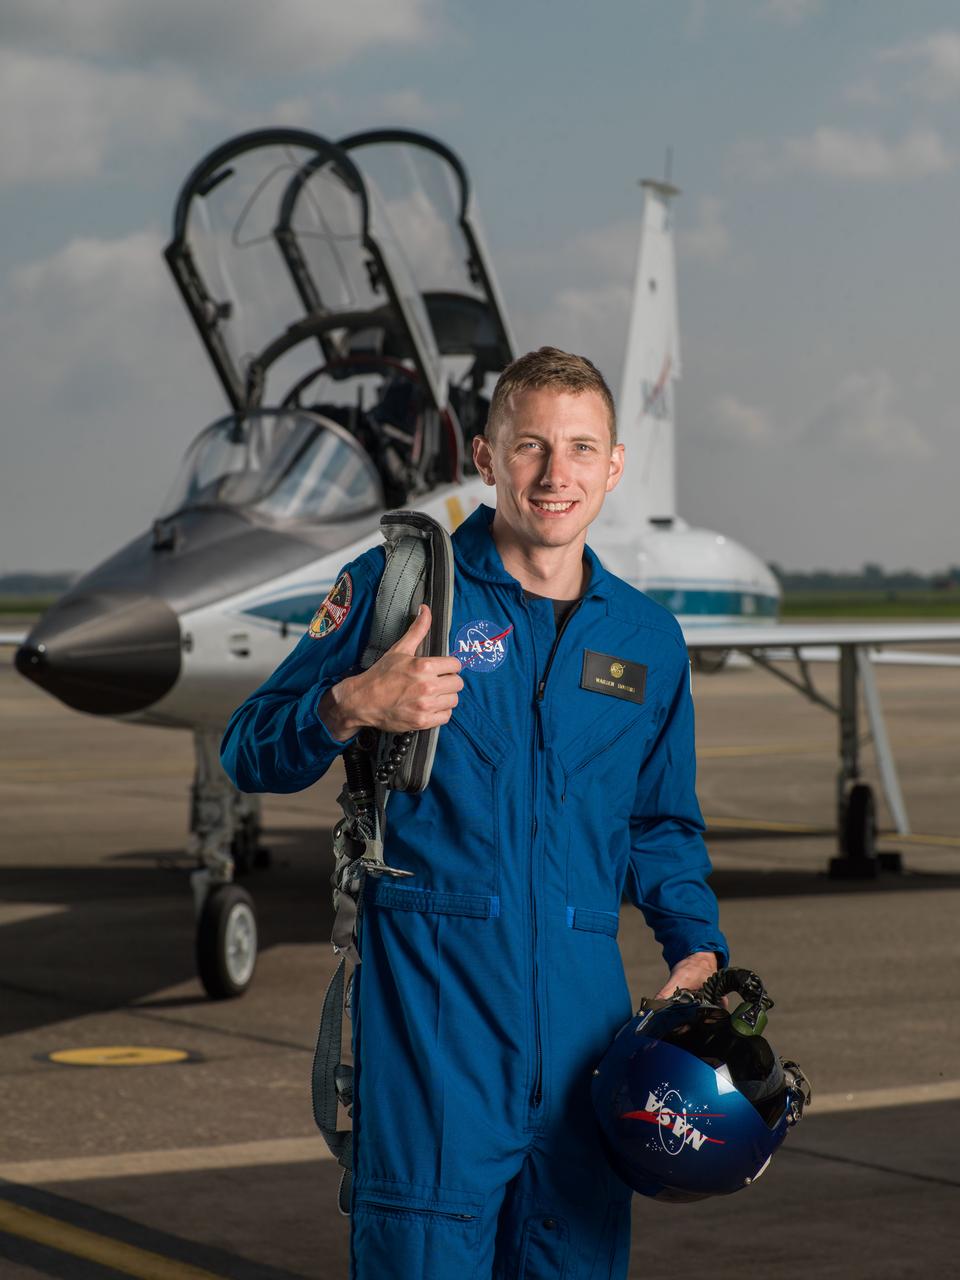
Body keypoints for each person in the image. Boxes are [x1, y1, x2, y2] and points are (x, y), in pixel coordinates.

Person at [221, 347, 728, 1279]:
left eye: (580, 449)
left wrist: (695, 944)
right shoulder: (402, 592)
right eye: (529, 445)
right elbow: (248, 746)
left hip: (588, 1045)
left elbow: (660, 826)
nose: (555, 474)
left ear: (614, 467)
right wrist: (350, 707)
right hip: (434, 1037)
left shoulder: (646, 639)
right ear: (488, 458)